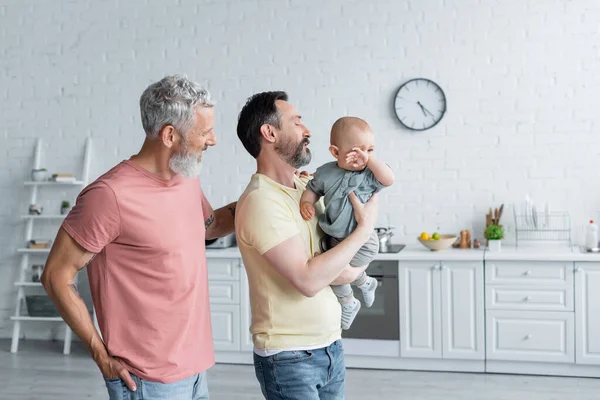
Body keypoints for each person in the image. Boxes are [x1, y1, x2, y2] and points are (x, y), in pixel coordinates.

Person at [41, 75, 236, 400]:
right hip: (147, 379)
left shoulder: (185, 177)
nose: (213, 140)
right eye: (204, 132)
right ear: (170, 135)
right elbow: (54, 276)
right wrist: (100, 354)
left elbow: (210, 226)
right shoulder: (110, 196)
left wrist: (269, 194)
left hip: (196, 370)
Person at [235, 91, 379, 400]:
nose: (308, 130)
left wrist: (350, 265)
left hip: (328, 347)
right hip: (290, 357)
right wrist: (364, 232)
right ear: (269, 132)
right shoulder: (262, 201)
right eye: (297, 122)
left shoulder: (303, 187)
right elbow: (310, 280)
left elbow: (337, 251)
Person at [299, 116, 395, 329]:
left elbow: (389, 179)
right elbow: (312, 189)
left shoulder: (369, 174)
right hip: (335, 238)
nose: (363, 156)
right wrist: (307, 202)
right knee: (330, 273)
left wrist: (369, 160)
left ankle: (354, 294)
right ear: (335, 152)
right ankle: (354, 295)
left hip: (364, 241)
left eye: (369, 150)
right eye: (356, 151)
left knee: (334, 273)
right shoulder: (326, 173)